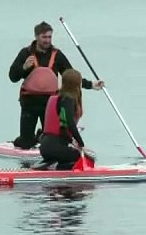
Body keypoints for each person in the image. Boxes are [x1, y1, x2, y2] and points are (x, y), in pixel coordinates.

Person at [8, 21, 103, 149]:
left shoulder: (57, 55)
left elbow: (71, 77)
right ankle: (29, 138)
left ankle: (42, 136)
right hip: (29, 102)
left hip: (50, 103)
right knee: (26, 143)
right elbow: (12, 77)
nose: (47, 40)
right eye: (44, 37)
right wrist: (24, 67)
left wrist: (91, 85)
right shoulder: (25, 53)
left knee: (51, 137)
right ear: (36, 36)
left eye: (49, 37)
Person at [39, 69, 91, 170]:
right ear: (76, 85)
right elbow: (70, 124)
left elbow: (64, 127)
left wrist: (74, 142)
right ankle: (59, 170)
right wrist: (82, 144)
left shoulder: (58, 96)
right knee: (79, 157)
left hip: (46, 146)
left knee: (77, 155)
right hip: (54, 147)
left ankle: (56, 166)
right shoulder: (67, 100)